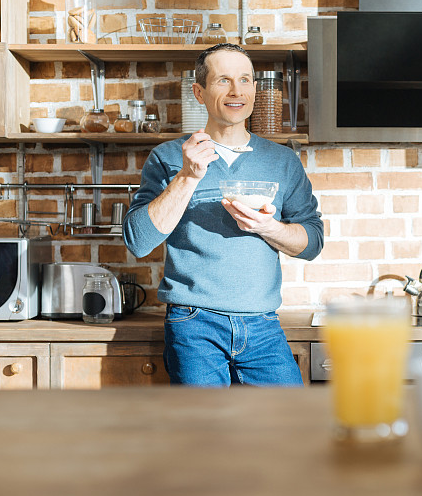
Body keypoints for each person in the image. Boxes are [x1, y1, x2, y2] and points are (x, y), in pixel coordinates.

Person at [123, 43, 324, 387]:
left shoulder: (282, 160)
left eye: (245, 80)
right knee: (205, 436)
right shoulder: (170, 157)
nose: (237, 91)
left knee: (288, 428)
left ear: (255, 90)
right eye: (223, 81)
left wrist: (269, 227)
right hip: (193, 325)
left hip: (263, 325)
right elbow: (139, 241)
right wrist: (187, 176)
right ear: (199, 93)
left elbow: (312, 242)